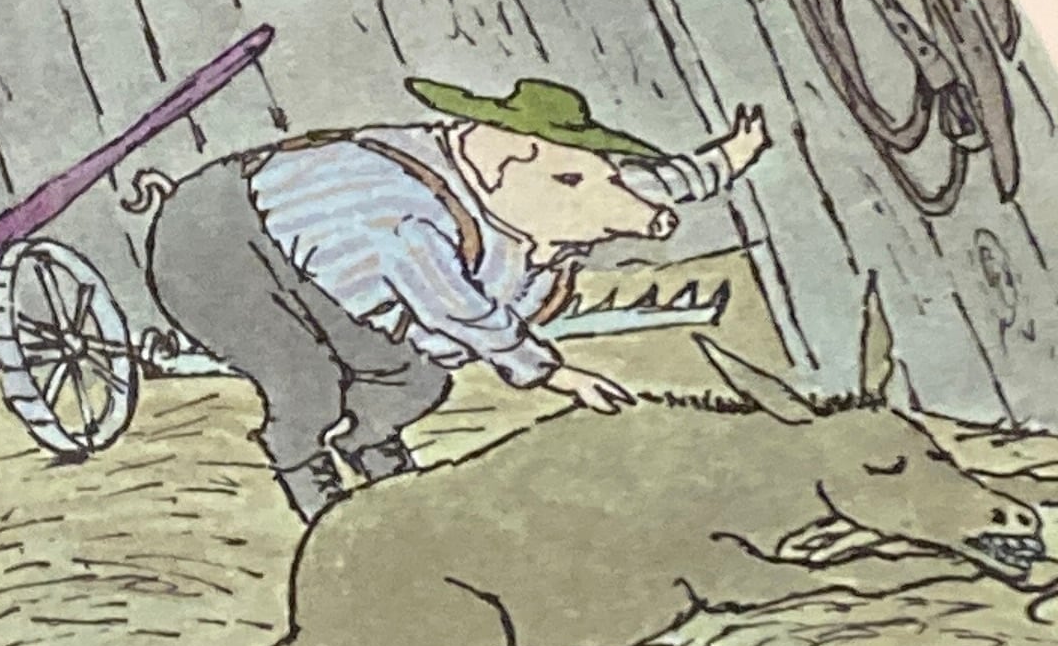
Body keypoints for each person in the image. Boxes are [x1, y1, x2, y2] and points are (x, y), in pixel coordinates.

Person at [142, 75, 773, 521]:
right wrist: (556, 373)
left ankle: (369, 444)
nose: (603, 193)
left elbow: (630, 184)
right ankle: (309, 477)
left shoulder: (538, 177)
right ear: (504, 160)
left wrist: (728, 159)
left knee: (416, 379)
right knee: (305, 380)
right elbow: (454, 308)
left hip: (317, 264)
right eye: (569, 179)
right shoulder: (406, 210)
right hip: (222, 244)